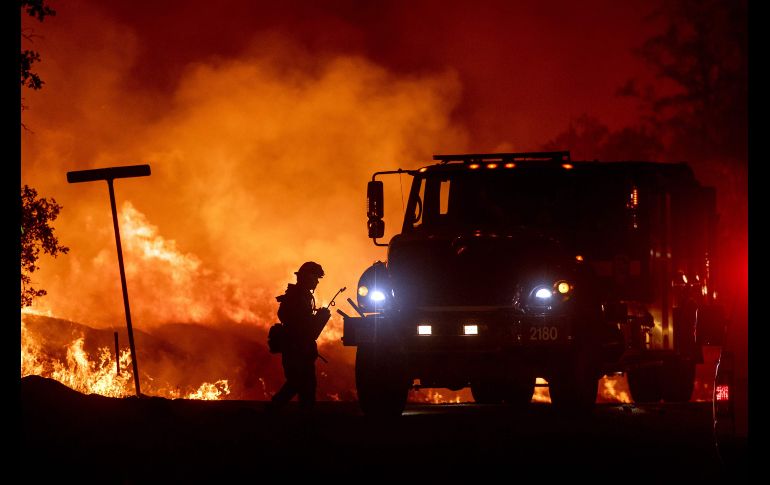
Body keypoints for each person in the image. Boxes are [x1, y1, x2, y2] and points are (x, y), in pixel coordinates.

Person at [268, 261, 330, 414]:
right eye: (315, 278)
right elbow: (304, 328)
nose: (316, 282)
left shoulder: (299, 296)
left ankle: (302, 422)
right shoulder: (297, 297)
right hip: (297, 350)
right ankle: (272, 411)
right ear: (308, 277)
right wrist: (321, 317)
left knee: (304, 387)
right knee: (298, 384)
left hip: (298, 349)